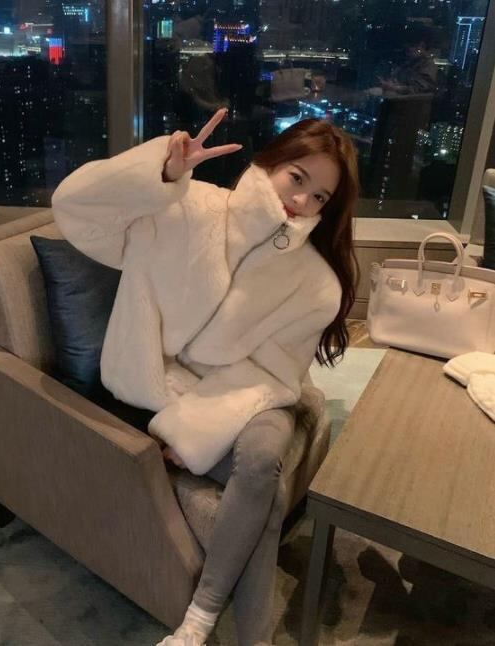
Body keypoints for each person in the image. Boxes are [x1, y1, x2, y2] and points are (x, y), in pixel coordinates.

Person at [51, 110, 359, 646]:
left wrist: (192, 427)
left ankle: (196, 622)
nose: (301, 201)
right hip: (159, 381)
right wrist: (160, 175)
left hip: (253, 395)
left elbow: (273, 374)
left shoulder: (316, 284)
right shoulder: (185, 209)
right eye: (297, 178)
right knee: (265, 498)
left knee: (261, 457)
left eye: (320, 197)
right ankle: (227, 631)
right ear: (270, 163)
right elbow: (74, 208)